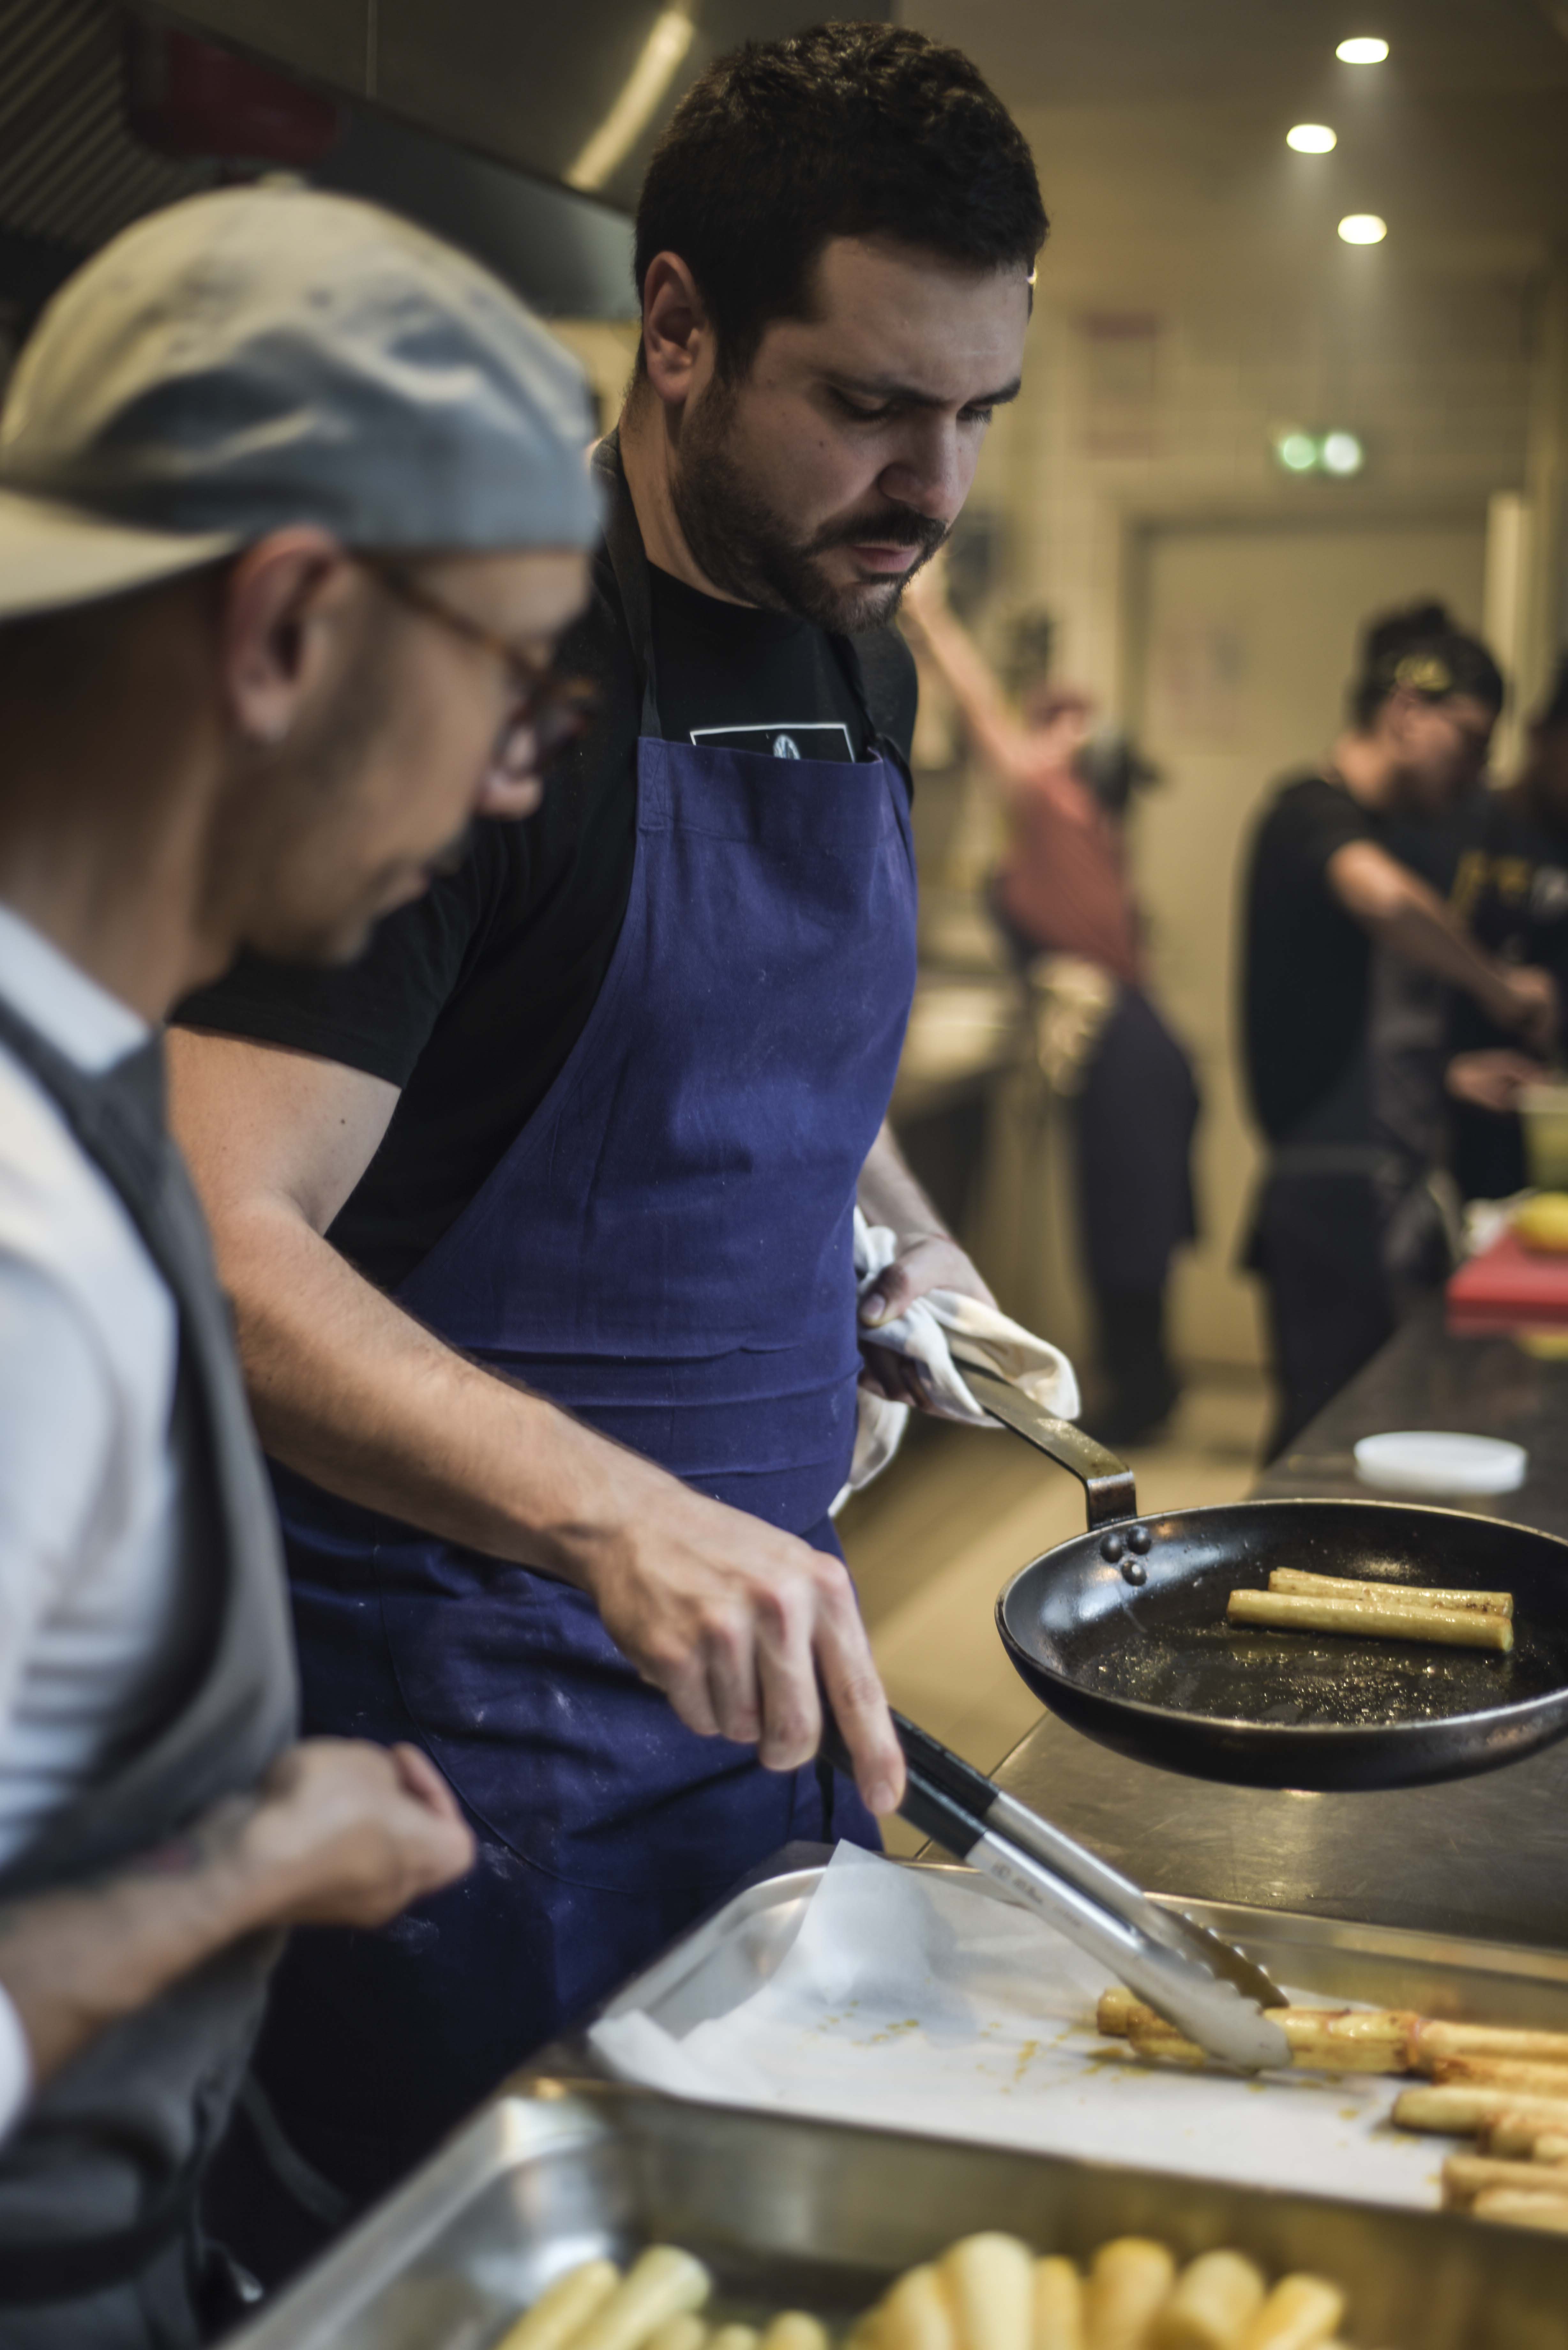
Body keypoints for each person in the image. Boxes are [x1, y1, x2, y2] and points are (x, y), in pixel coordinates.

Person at [167, 21, 1046, 2229]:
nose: (930, 492)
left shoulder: (856, 632)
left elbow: (766, 1067)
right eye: (866, 404)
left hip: (764, 1708)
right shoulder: (466, 679)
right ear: (675, 332)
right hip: (463, 1754)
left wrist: (900, 1248)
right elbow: (215, 1225)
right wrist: (610, 1518)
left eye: (970, 417)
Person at [0, 181, 607, 2342]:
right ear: (280, 630)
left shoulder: (78, 1085)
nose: (514, 779)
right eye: (516, 686)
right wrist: (251, 1866)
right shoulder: (25, 1245)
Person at [1240, 602, 1557, 1456]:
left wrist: (1450, 1079)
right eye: (1470, 741)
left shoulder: (1386, 831)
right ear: (1406, 712)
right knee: (1327, 1443)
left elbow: (1357, 1026)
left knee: (1363, 1431)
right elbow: (1382, 901)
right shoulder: (1310, 812)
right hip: (1330, 1188)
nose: (1477, 771)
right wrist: (1501, 989)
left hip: (1381, 1178)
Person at [903, 568, 1198, 1442]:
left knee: (1127, 1228)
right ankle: (1145, 1387)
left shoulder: (1057, 802)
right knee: (1127, 1224)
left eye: (1068, 727)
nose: (1048, 738)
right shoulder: (1087, 822)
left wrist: (932, 614)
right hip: (1142, 1041)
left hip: (1125, 1045)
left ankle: (1143, 1397)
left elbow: (983, 712)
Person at [1440, 655, 1568, 1198]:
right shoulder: (1457, 826)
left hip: (1542, 1152)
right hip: (1439, 1141)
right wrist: (1445, 1074)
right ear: (1542, 735)